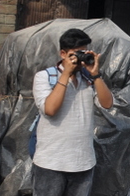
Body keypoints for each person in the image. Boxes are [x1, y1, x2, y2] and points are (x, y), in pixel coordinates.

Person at [32, 28, 114, 196]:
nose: (80, 58)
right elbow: (50, 110)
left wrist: (96, 75)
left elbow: (107, 104)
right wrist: (66, 74)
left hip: (83, 162)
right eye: (75, 54)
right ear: (63, 53)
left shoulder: (88, 79)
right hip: (51, 162)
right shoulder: (44, 77)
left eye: (83, 52)